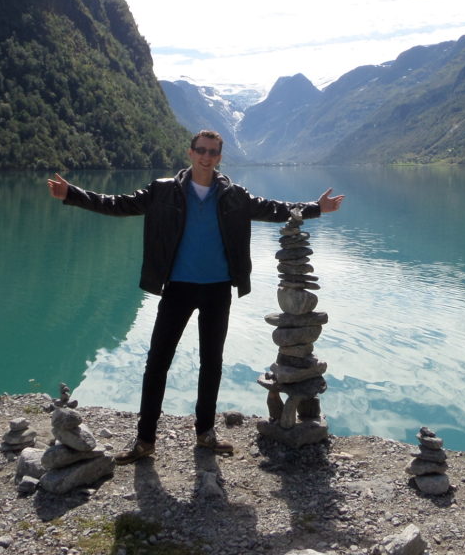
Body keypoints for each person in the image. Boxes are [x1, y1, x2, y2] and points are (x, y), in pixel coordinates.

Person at [47, 129, 344, 464]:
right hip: (177, 287)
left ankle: (205, 434)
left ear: (219, 157)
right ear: (190, 153)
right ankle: (145, 440)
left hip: (218, 288)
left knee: (211, 364)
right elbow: (119, 204)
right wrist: (72, 194)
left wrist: (315, 208)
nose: (206, 156)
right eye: (201, 150)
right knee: (157, 363)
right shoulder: (163, 191)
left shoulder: (233, 195)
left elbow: (274, 208)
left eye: (213, 152)